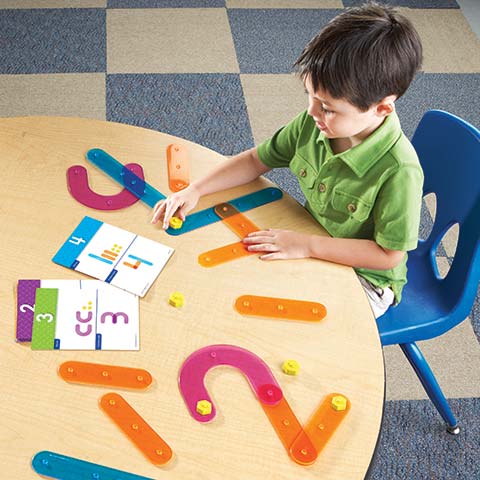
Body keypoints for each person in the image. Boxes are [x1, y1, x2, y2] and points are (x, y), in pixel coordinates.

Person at [151, 2, 424, 318]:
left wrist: (306, 246)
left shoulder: (400, 170)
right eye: (311, 96)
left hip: (366, 279)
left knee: (271, 317)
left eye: (328, 107)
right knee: (233, 278)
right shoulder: (315, 122)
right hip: (310, 238)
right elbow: (256, 160)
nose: (312, 112)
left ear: (382, 108)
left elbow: (388, 255)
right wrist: (195, 190)